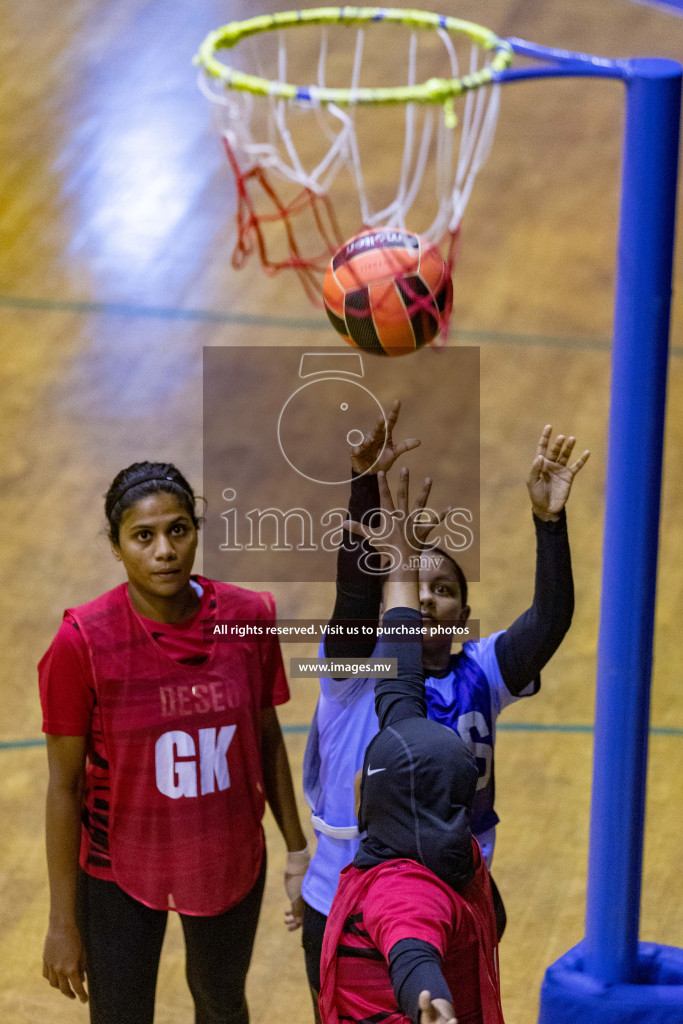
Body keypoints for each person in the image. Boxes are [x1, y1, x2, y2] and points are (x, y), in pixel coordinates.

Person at [302, 402, 589, 1015]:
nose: (428, 599)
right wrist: (363, 486)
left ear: (464, 614)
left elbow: (549, 621)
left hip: (458, 880)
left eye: (447, 589)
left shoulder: (481, 672)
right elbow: (354, 593)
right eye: (417, 586)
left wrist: (549, 522)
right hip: (350, 890)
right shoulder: (358, 674)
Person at [38, 461, 309, 1024]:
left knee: (222, 1003)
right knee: (120, 1015)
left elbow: (265, 735)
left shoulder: (248, 617)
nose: (165, 550)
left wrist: (298, 849)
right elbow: (62, 789)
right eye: (144, 536)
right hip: (118, 869)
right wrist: (62, 922)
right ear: (117, 547)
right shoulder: (81, 641)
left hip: (227, 854)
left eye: (178, 529)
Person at [319, 467, 505, 1024]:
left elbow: (411, 950)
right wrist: (400, 561)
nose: (359, 777)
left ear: (366, 802)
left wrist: (430, 999)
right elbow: (401, 689)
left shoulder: (402, 887)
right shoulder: (461, 852)